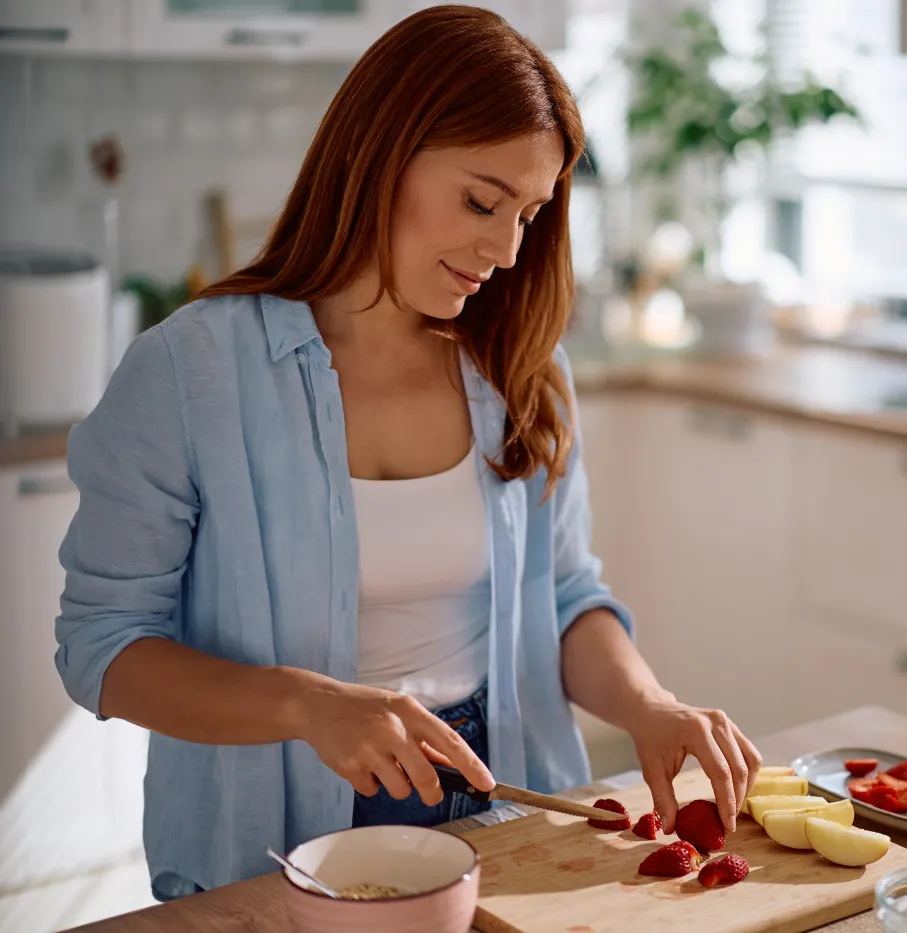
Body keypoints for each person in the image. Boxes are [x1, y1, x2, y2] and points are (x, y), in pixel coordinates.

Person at [53, 5, 759, 901]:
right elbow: (103, 648)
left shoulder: (521, 371)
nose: (505, 250)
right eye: (481, 200)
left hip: (503, 806)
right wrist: (308, 704)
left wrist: (648, 705)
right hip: (278, 835)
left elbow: (568, 598)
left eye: (529, 216)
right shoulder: (190, 371)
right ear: (381, 151)